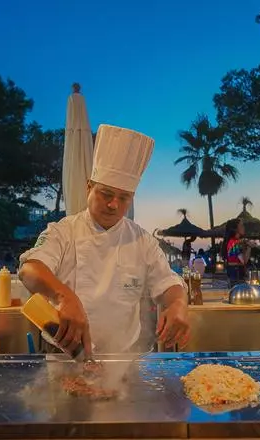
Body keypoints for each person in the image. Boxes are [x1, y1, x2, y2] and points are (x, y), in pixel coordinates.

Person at [19, 124, 190, 356]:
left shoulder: (142, 241)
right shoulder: (63, 231)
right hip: (66, 355)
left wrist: (178, 304)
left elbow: (168, 283)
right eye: (106, 194)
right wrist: (64, 296)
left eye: (123, 198)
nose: (114, 204)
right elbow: (30, 269)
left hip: (123, 359)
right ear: (89, 187)